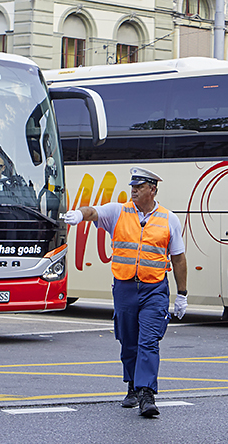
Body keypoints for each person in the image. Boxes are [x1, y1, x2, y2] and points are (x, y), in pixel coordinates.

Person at [61, 167, 188, 418]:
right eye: (133, 187)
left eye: (139, 187)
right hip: (125, 288)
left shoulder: (168, 219)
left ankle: (146, 393)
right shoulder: (118, 211)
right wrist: (79, 215)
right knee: (129, 341)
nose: (134, 191)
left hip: (154, 289)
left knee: (148, 341)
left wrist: (182, 294)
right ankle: (132, 384)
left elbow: (179, 258)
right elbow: (93, 212)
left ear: (153, 190)